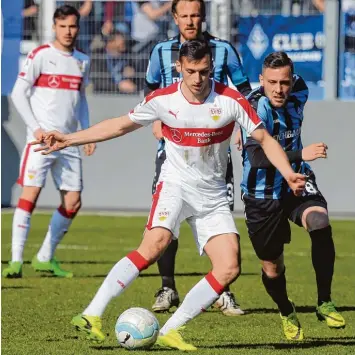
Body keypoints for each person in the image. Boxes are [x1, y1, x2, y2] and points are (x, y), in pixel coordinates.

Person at [33, 40, 305, 350]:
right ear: (179, 68)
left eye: (204, 71)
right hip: (175, 185)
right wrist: (69, 139)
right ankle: (91, 314)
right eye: (190, 71)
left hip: (212, 194)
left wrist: (287, 172)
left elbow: (265, 140)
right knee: (154, 246)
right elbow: (120, 125)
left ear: (212, 68)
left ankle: (170, 330)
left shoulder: (230, 100)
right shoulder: (163, 100)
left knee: (229, 266)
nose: (197, 79)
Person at [145, 0, 252, 315]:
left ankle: (223, 292)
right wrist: (154, 119)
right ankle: (167, 288)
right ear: (175, 17)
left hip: (213, 150)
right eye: (185, 15)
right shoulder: (161, 51)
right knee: (168, 220)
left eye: (196, 15)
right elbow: (151, 86)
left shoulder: (223, 50)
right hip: (173, 151)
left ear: (203, 17)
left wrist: (240, 129)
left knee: (219, 218)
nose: (190, 20)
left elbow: (243, 91)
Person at [240, 51, 346, 341]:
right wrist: (302, 152)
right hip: (261, 192)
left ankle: (324, 301)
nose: (279, 89)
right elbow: (258, 157)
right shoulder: (252, 106)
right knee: (273, 266)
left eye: (284, 82)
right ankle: (286, 310)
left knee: (320, 221)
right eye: (272, 82)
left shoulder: (300, 89)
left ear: (292, 79)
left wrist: (299, 162)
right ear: (261, 80)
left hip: (296, 181)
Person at [2, 5, 96, 279]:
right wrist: (37, 129)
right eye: (63, 26)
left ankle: (44, 257)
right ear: (55, 27)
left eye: (73, 26)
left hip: (68, 142)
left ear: (78, 28)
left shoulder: (82, 60)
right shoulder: (41, 55)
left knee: (73, 202)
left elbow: (81, 101)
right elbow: (19, 93)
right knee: (29, 196)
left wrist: (87, 132)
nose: (68, 31)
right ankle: (16, 261)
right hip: (41, 141)